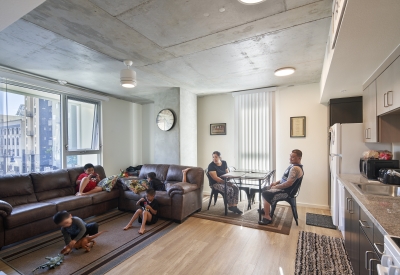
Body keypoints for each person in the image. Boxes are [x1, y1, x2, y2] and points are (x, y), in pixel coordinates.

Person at [258, 149, 304, 225]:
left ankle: (267, 217)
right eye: (290, 156)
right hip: (284, 189)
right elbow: (284, 179)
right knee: (264, 189)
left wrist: (276, 187)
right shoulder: (293, 166)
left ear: (299, 158)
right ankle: (266, 210)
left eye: (293, 157)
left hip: (287, 192)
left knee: (265, 193)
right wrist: (275, 183)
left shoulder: (295, 168)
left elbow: (288, 183)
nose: (290, 158)